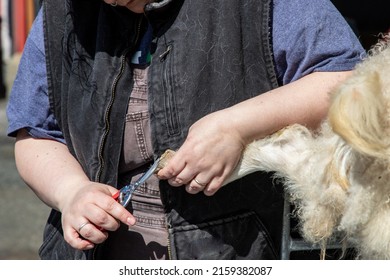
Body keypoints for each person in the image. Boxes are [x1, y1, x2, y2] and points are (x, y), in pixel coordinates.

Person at [6, 0, 365, 260]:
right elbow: (37, 132)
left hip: (240, 255)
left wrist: (238, 127)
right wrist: (71, 193)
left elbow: (352, 83)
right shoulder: (61, 12)